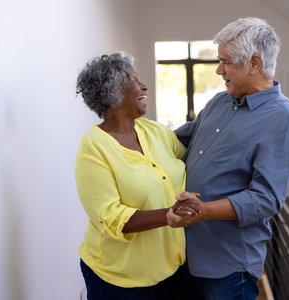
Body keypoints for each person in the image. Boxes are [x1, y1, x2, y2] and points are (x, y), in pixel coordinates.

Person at [166, 17, 289, 300]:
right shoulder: (221, 101)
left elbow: (266, 198)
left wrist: (202, 211)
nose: (219, 70)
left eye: (226, 61)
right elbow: (179, 141)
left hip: (228, 267)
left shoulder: (285, 119)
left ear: (254, 63)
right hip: (186, 256)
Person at [75, 53, 198, 300]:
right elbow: (111, 217)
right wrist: (169, 215)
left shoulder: (155, 131)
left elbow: (190, 162)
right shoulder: (94, 147)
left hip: (173, 271)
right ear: (114, 92)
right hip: (120, 282)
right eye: (133, 80)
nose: (144, 86)